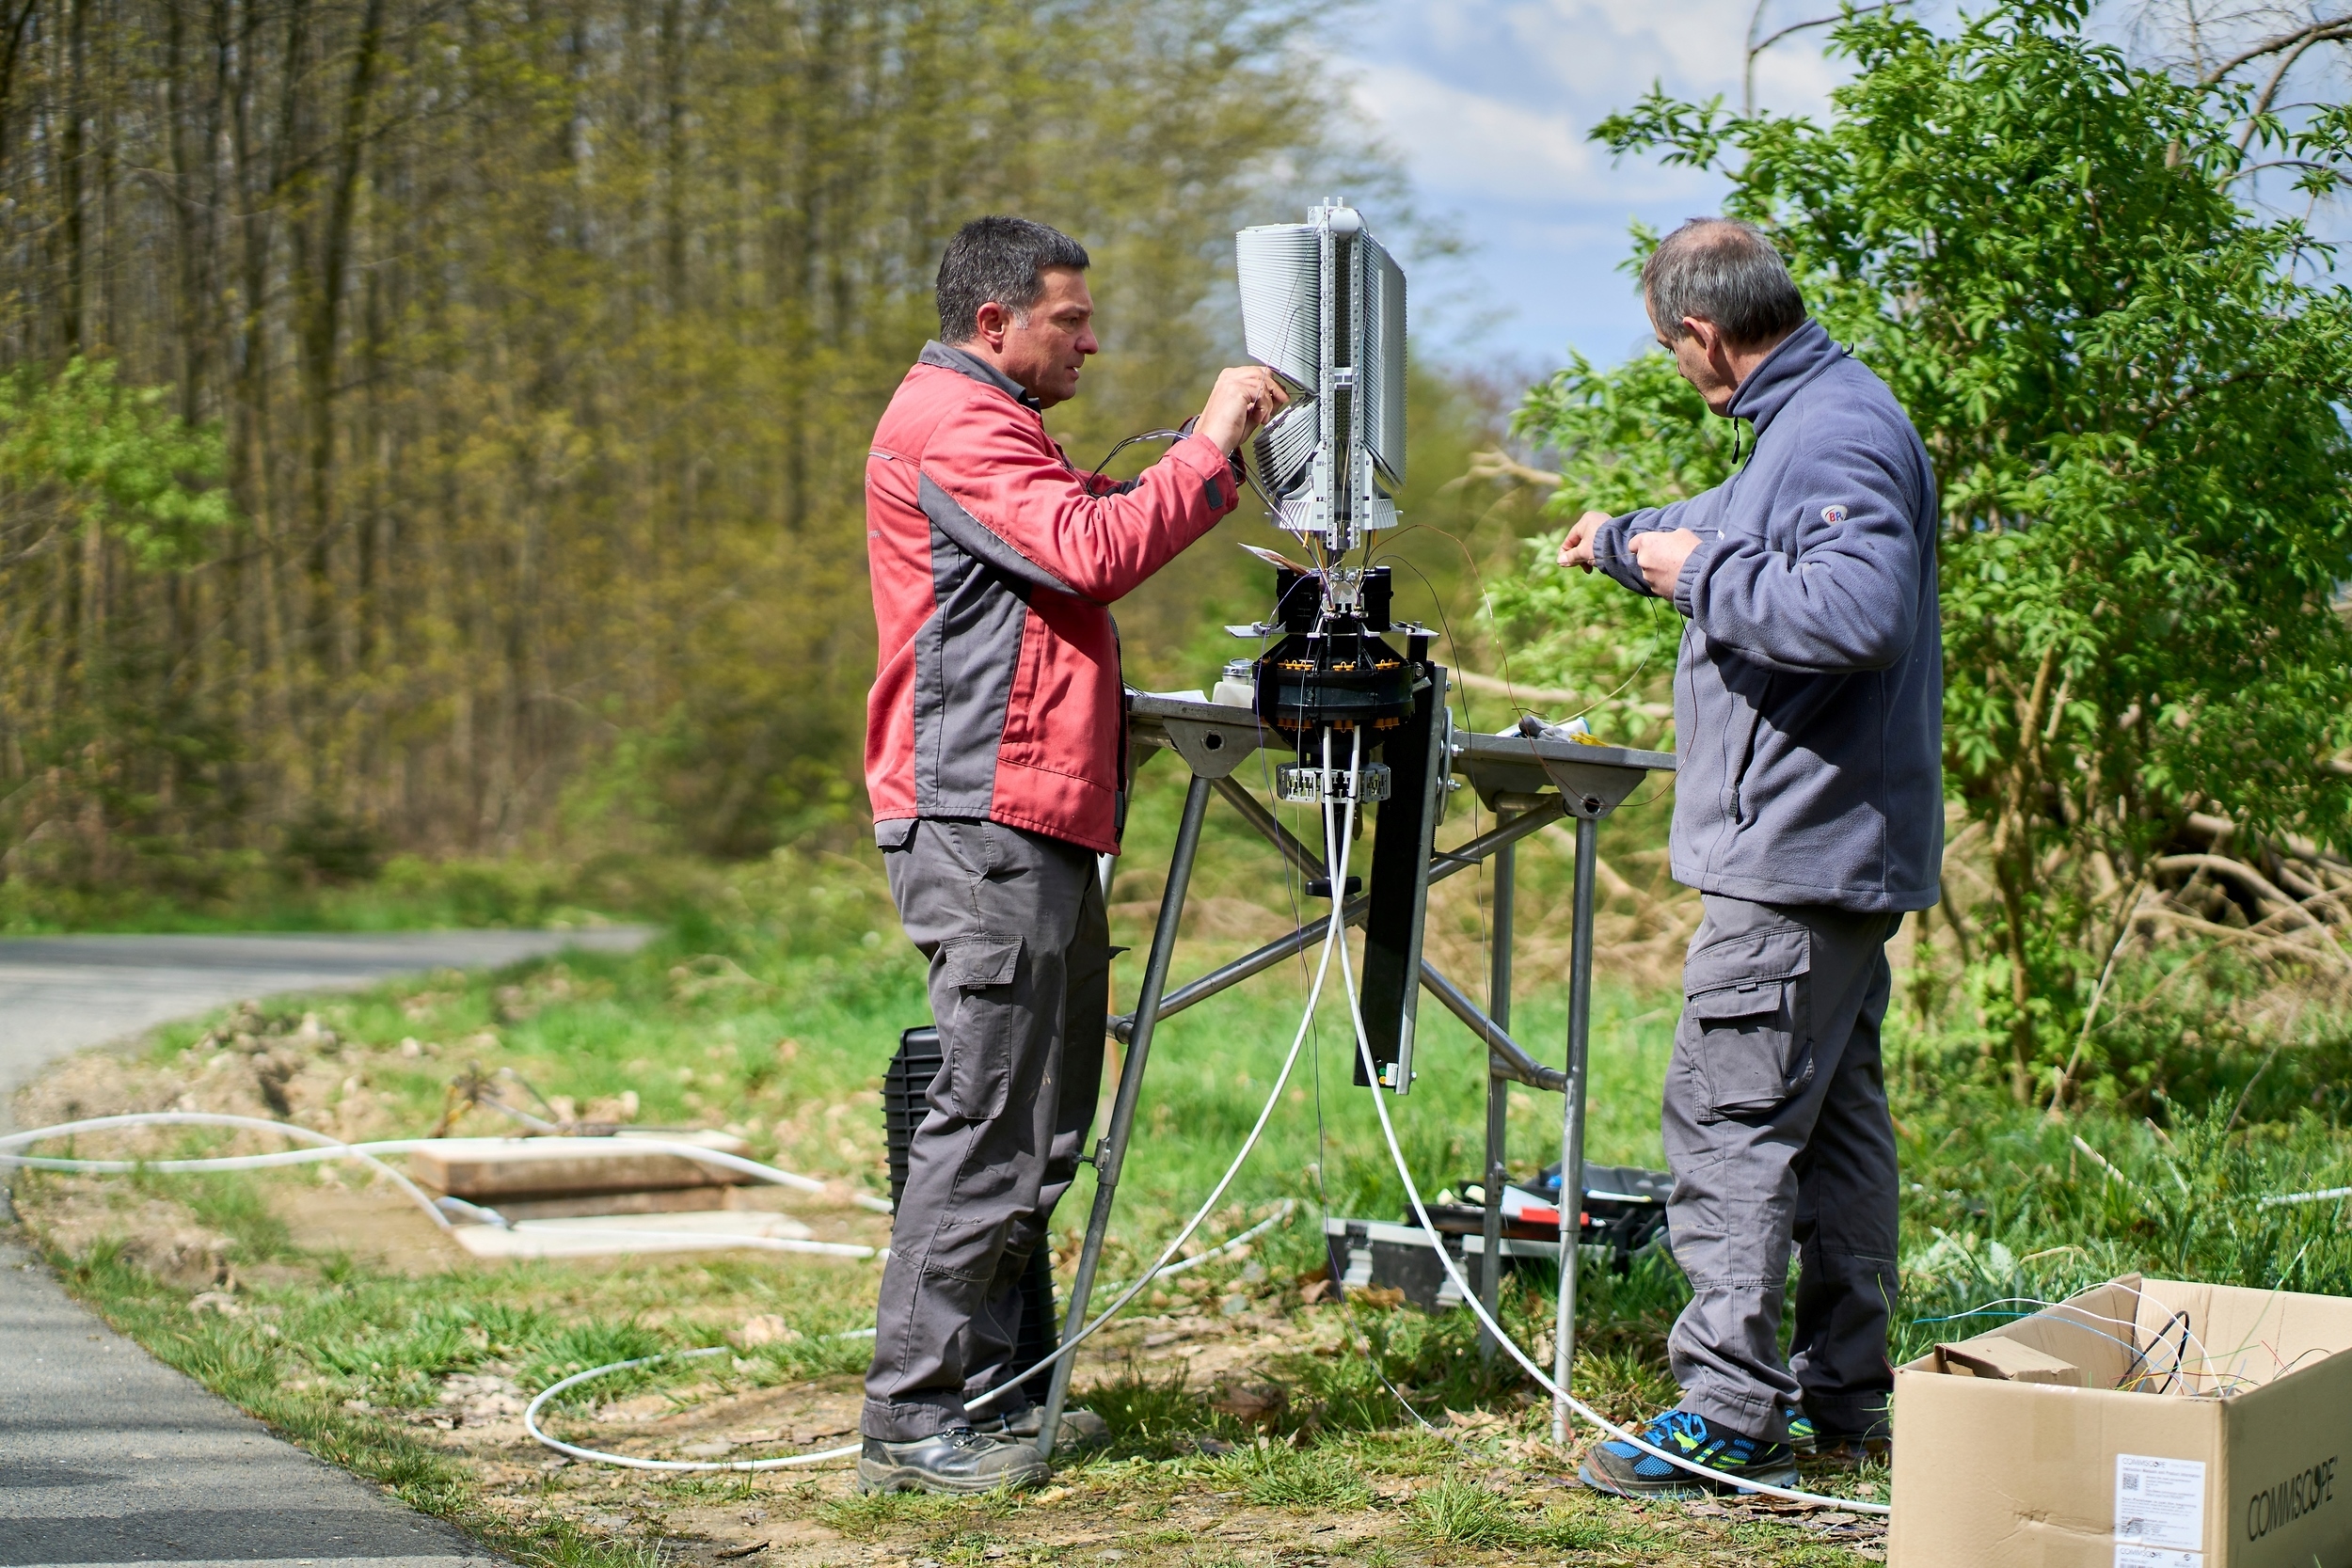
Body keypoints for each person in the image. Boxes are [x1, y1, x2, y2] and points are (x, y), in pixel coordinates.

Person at [858, 215, 1286, 1496]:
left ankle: (986, 1402)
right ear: (996, 324)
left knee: (1040, 1130)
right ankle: (909, 1426)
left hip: (1033, 816)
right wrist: (1212, 438)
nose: (1092, 341)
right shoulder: (958, 425)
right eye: (1072, 321)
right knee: (986, 1118)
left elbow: (1077, 536)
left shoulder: (1003, 430)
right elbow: (1094, 553)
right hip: (979, 816)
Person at [1557, 218, 1943, 1497]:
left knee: (1726, 1127)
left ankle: (1729, 1412)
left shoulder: (1830, 430)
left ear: (1704, 337)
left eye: (1671, 351)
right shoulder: (1812, 418)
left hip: (1796, 859)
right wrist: (1620, 540)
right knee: (1833, 1133)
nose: (1676, 366)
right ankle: (1848, 1396)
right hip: (1833, 856)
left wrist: (1694, 574)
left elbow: (1856, 611)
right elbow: (1724, 525)